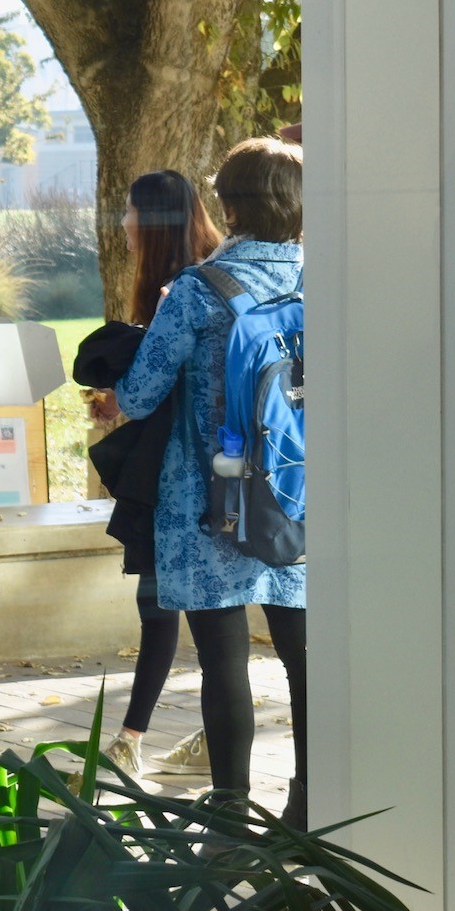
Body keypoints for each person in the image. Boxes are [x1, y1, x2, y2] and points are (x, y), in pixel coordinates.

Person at [100, 138, 307, 828]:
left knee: (223, 660)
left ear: (229, 204)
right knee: (304, 655)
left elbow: (140, 390)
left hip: (206, 499)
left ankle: (229, 820)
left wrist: (115, 386)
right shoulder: (321, 276)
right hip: (298, 492)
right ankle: (309, 803)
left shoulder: (198, 289)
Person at [73, 172, 222, 785]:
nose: (123, 225)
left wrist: (119, 401)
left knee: (171, 605)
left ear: (151, 221)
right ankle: (191, 737)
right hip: (207, 465)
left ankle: (130, 744)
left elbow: (154, 387)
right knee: (193, 609)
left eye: (129, 213)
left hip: (181, 473)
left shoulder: (180, 291)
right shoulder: (206, 274)